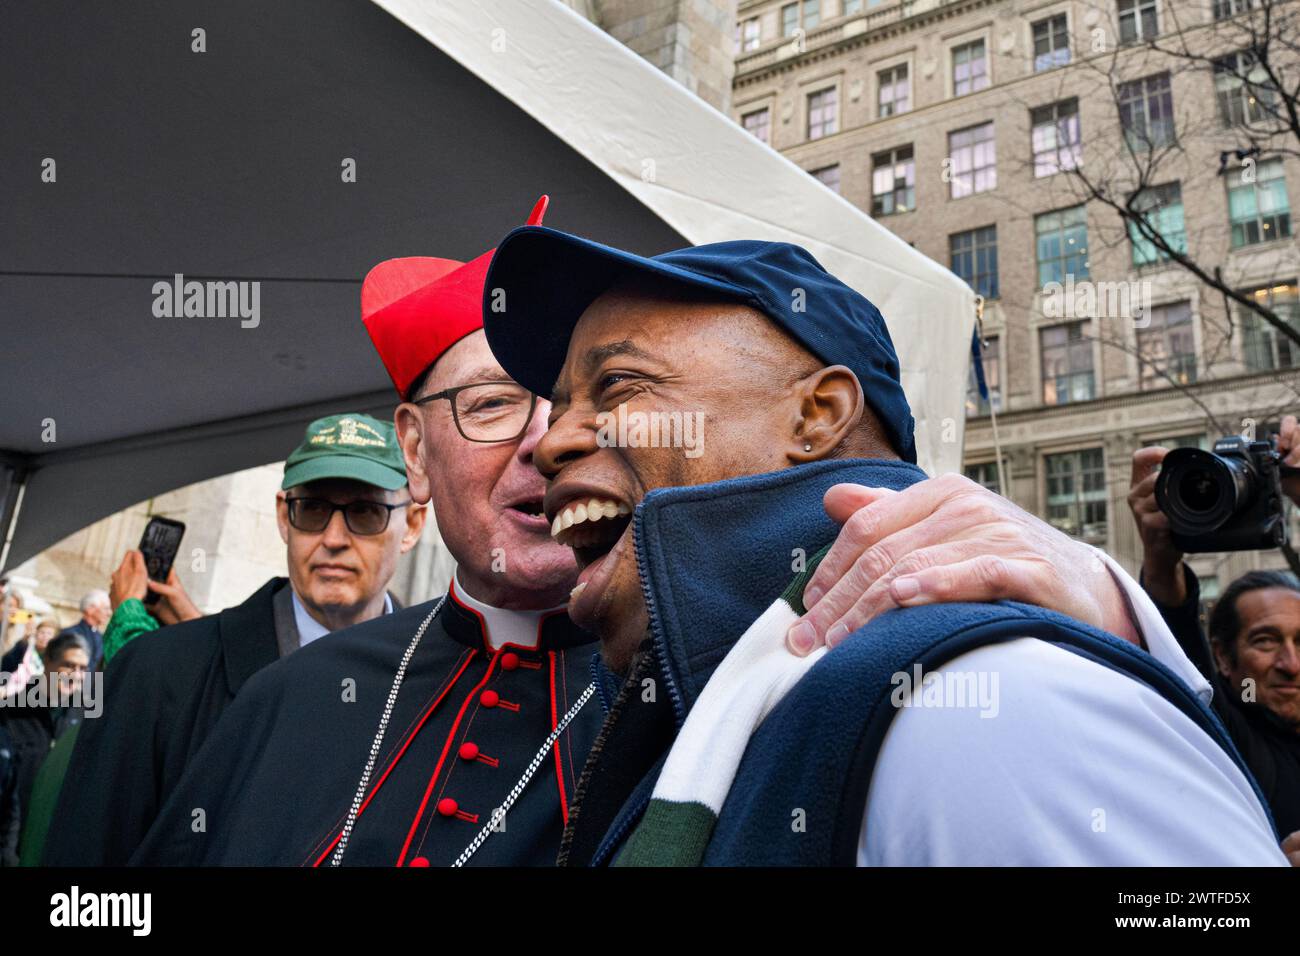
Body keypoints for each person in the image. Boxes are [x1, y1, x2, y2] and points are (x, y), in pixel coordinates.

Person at [477, 225, 1285, 866]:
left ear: (817, 415)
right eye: (557, 406)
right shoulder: (730, 702)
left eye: (618, 384)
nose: (549, 443)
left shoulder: (982, 700)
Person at [41, 412, 424, 866]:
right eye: (314, 509)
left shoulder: (442, 686)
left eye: (365, 512)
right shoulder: (154, 673)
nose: (334, 538)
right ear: (285, 516)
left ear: (413, 526)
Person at [1129, 437, 1300, 838]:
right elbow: (1180, 651)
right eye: (1265, 641)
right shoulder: (1225, 740)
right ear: (1223, 658)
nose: (1290, 665)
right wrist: (1159, 559)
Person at [0, 632, 90, 865]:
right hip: (11, 843)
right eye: (68, 665)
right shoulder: (10, 713)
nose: (76, 675)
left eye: (83, 668)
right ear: (47, 661)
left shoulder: (86, 721)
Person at [1, 617, 58, 694]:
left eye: (49, 634)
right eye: (42, 632)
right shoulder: (24, 648)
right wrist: (25, 638)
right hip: (14, 692)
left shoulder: (54, 657)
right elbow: (7, 664)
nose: (45, 636)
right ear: (36, 634)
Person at [58, 591, 110, 673]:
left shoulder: (101, 637)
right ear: (90, 609)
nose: (109, 613)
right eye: (105, 608)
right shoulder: (69, 634)